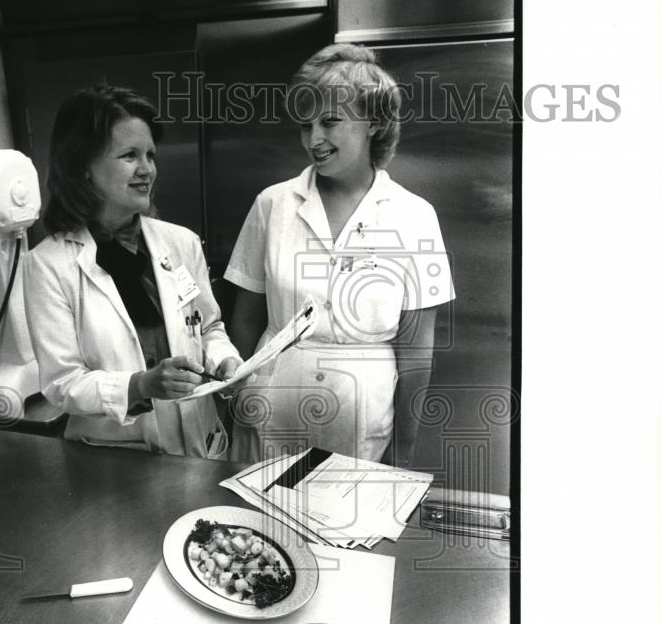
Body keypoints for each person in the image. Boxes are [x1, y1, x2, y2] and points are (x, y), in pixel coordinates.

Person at [224, 43, 455, 466]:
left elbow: (417, 352)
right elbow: (245, 319)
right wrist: (237, 396)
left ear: (374, 123)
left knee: (346, 528)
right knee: (253, 527)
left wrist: (403, 453)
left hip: (361, 426)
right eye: (304, 125)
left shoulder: (415, 216)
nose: (314, 139)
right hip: (269, 414)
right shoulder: (273, 204)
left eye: (330, 121)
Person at [23, 83, 243, 456]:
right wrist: (139, 385)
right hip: (113, 459)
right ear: (83, 169)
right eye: (129, 155)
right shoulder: (47, 265)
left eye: (150, 155)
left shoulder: (180, 243)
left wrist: (226, 360)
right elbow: (63, 383)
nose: (147, 170)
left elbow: (208, 327)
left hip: (198, 443)